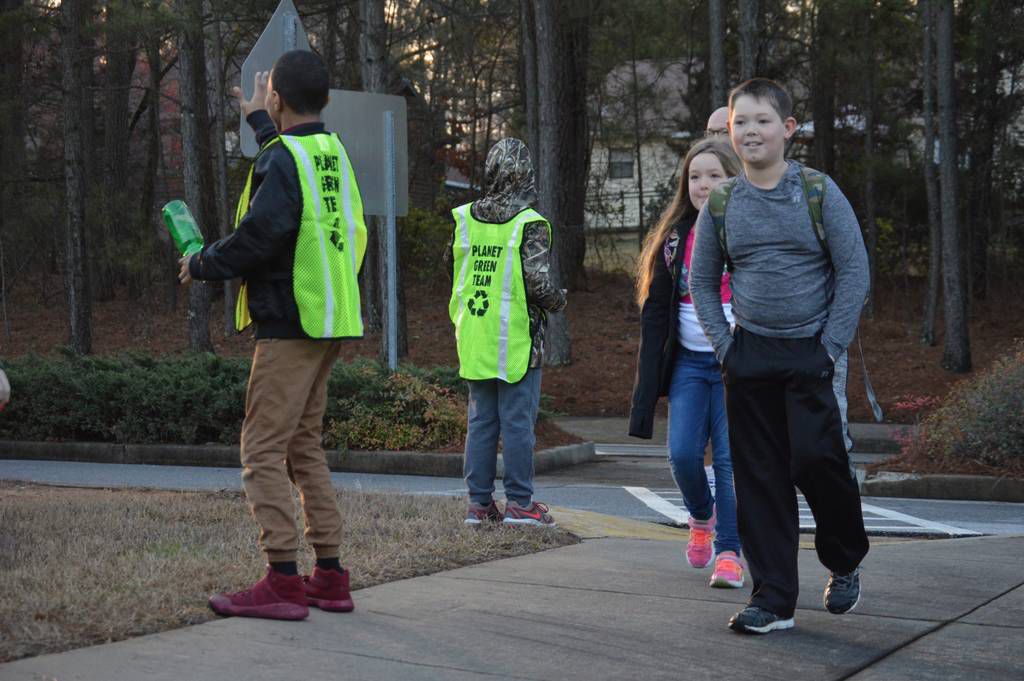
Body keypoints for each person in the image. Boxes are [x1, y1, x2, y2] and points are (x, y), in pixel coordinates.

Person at [179, 50, 365, 621]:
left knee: (261, 449)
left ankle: (283, 579)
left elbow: (262, 233)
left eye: (269, 100)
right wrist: (263, 121)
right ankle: (329, 576)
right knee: (302, 447)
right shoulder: (330, 152)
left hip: (289, 324)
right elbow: (290, 173)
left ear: (278, 97)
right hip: (327, 321)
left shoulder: (286, 159)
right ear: (327, 100)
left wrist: (203, 263)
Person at [689, 78, 870, 634]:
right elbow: (701, 280)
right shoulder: (721, 203)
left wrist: (830, 348)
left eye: (763, 121)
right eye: (741, 122)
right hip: (750, 358)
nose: (750, 131)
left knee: (818, 462)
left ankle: (844, 561)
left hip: (812, 353)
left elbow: (855, 271)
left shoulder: (817, 191)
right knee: (760, 478)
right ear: (730, 131)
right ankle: (773, 599)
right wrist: (726, 347)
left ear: (787, 130)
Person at [629, 137, 744, 589]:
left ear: (735, 177)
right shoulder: (675, 240)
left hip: (736, 368)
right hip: (689, 367)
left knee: (733, 462)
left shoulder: (748, 230)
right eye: (695, 177)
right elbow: (655, 315)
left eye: (715, 175)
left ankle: (730, 552)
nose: (703, 184)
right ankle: (701, 516)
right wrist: (645, 389)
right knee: (681, 455)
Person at [449, 138, 567, 527]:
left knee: (482, 421)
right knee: (517, 422)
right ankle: (519, 503)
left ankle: (478, 505)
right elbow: (538, 284)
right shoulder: (528, 223)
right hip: (517, 339)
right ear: (526, 176)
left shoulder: (465, 217)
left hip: (474, 335)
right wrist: (559, 301)